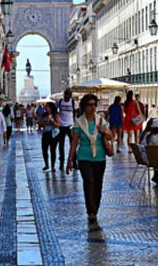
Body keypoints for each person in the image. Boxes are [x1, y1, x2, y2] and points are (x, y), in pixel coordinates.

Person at [67, 94, 113, 224]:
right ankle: (90, 211)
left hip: (99, 157)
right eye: (90, 105)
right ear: (84, 107)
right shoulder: (79, 123)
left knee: (98, 183)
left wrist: (104, 131)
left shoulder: (100, 121)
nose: (93, 107)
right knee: (88, 181)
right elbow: (74, 143)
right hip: (84, 157)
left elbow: (110, 135)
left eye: (94, 105)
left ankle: (95, 209)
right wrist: (70, 160)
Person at [57, 88, 79, 170]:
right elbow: (55, 110)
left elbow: (77, 112)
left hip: (71, 126)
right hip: (61, 126)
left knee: (73, 145)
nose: (67, 96)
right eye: (65, 95)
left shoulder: (73, 103)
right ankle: (61, 163)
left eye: (68, 95)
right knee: (61, 145)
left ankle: (74, 162)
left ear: (70, 96)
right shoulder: (59, 102)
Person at [41, 102, 60, 171]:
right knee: (44, 150)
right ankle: (46, 164)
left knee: (53, 150)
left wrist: (52, 122)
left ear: (51, 108)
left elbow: (58, 125)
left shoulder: (56, 115)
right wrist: (46, 122)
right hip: (46, 133)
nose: (45, 108)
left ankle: (53, 166)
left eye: (47, 107)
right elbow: (41, 124)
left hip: (53, 134)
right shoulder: (44, 115)